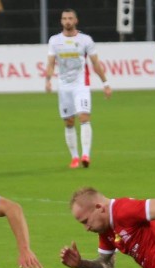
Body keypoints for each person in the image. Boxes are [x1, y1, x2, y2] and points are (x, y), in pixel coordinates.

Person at [45, 9, 112, 169]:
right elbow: (51, 63)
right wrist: (48, 80)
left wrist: (105, 83)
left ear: (76, 21)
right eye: (64, 18)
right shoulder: (54, 40)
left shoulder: (85, 40)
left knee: (84, 117)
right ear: (61, 21)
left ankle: (86, 155)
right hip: (64, 87)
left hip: (81, 85)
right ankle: (74, 157)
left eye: (70, 18)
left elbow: (96, 63)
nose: (67, 21)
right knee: (69, 122)